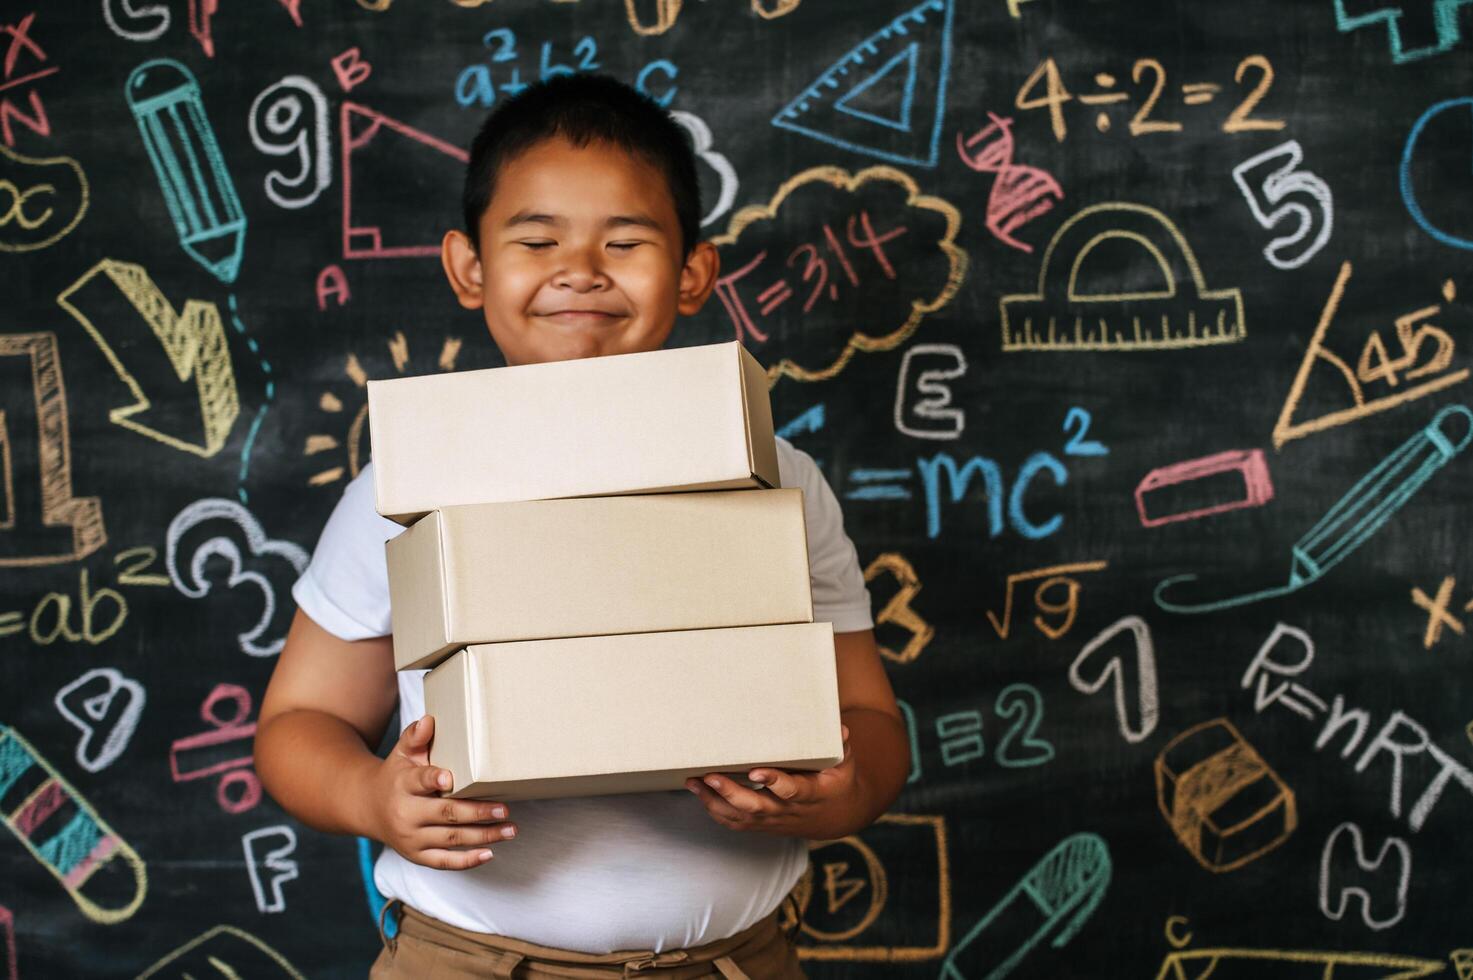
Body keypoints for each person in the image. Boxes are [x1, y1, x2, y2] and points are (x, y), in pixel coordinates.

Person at [254, 73, 910, 979]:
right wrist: (370, 794)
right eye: (536, 239)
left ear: (692, 274)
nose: (580, 270)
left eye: (626, 241)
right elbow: (300, 720)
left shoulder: (777, 477)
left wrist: (841, 793)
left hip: (734, 961)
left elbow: (869, 721)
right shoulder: (401, 488)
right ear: (469, 267)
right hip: (470, 962)